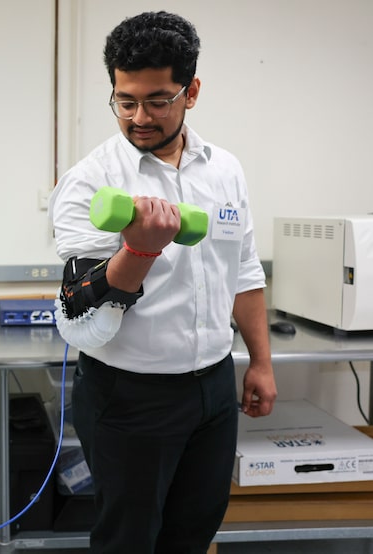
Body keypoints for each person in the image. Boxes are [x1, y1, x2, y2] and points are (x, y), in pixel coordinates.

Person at [49, 11, 277, 554]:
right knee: (128, 538)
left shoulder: (224, 170)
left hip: (214, 387)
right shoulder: (90, 182)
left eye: (157, 100)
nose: (138, 117)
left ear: (191, 91)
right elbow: (81, 318)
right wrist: (140, 249)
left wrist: (261, 363)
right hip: (130, 396)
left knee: (195, 529)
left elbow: (243, 272)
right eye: (125, 101)